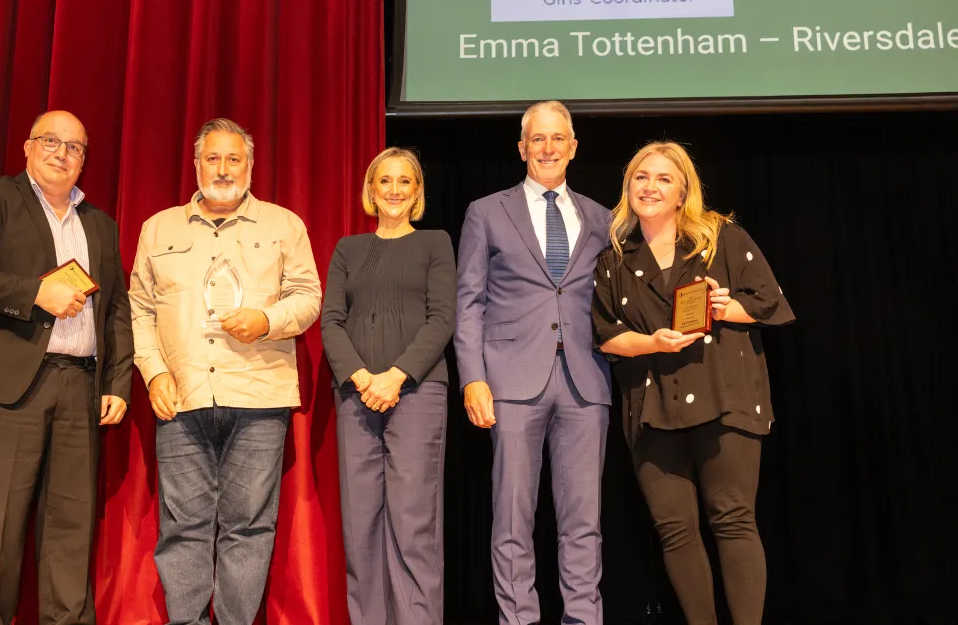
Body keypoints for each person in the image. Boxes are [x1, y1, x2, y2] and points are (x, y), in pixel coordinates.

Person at [0, 110, 134, 625]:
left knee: (71, 527)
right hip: (6, 387)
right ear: (27, 146)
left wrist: (117, 382)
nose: (62, 154)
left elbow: (116, 308)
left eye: (74, 147)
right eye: (51, 141)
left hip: (80, 386)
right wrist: (34, 293)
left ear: (84, 160)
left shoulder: (100, 223)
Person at [128, 118, 322, 625]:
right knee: (183, 528)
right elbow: (139, 310)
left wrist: (266, 320)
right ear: (196, 165)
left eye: (234, 159)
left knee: (249, 527)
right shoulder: (158, 228)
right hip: (181, 396)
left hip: (259, 396)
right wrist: (153, 372)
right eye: (212, 158)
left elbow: (308, 298)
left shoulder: (284, 225)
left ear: (250, 166)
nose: (223, 169)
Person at [591, 142, 794, 625]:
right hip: (652, 407)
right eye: (641, 177)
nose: (650, 187)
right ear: (628, 187)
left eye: (664, 179)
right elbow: (606, 335)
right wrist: (651, 343)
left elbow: (769, 301)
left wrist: (728, 308)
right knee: (675, 530)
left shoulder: (721, 238)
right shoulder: (614, 260)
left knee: (733, 518)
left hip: (726, 398)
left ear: (683, 192)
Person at [454, 100, 613, 625]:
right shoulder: (486, 211)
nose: (548, 148)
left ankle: (583, 619)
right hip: (511, 381)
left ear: (573, 147)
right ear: (522, 148)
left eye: (557, 138)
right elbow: (469, 302)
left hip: (586, 381)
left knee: (583, 521)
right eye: (537, 139)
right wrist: (473, 379)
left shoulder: (602, 218)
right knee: (512, 519)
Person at [321, 147, 456, 625]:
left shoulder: (435, 243)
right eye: (385, 181)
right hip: (356, 396)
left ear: (417, 192)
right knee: (360, 524)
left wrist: (396, 376)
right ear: (371, 190)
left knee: (413, 520)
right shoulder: (348, 248)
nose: (394, 190)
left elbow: (442, 319)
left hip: (418, 393)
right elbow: (331, 321)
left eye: (404, 181)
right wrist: (362, 379)